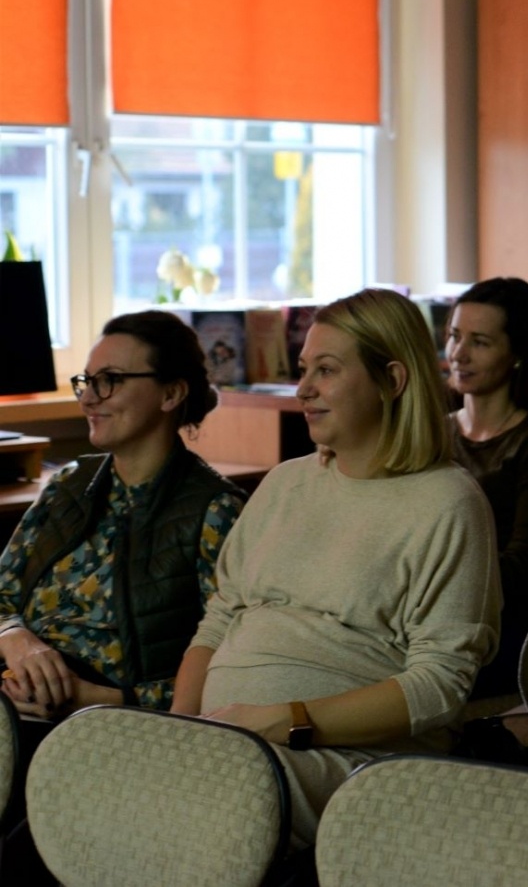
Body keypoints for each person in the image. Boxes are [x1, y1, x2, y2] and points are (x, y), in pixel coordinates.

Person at [173, 288, 500, 849]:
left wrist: (286, 719)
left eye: (326, 370)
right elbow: (219, 623)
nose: (303, 389)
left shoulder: (448, 502)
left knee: (205, 796)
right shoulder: (284, 484)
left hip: (358, 760)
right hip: (231, 740)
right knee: (90, 766)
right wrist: (177, 729)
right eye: (303, 369)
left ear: (391, 381)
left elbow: (439, 687)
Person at [0, 310, 245, 719]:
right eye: (86, 381)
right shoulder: (68, 486)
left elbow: (228, 669)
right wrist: (14, 635)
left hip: (105, 722)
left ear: (171, 394)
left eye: (109, 380)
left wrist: (99, 699)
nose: (89, 397)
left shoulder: (216, 512)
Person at [445, 276, 528, 699]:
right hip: (423, 609)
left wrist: (436, 579)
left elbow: (526, 566)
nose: (458, 354)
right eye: (454, 337)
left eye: (479, 342)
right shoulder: (433, 434)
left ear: (517, 354)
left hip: (495, 620)